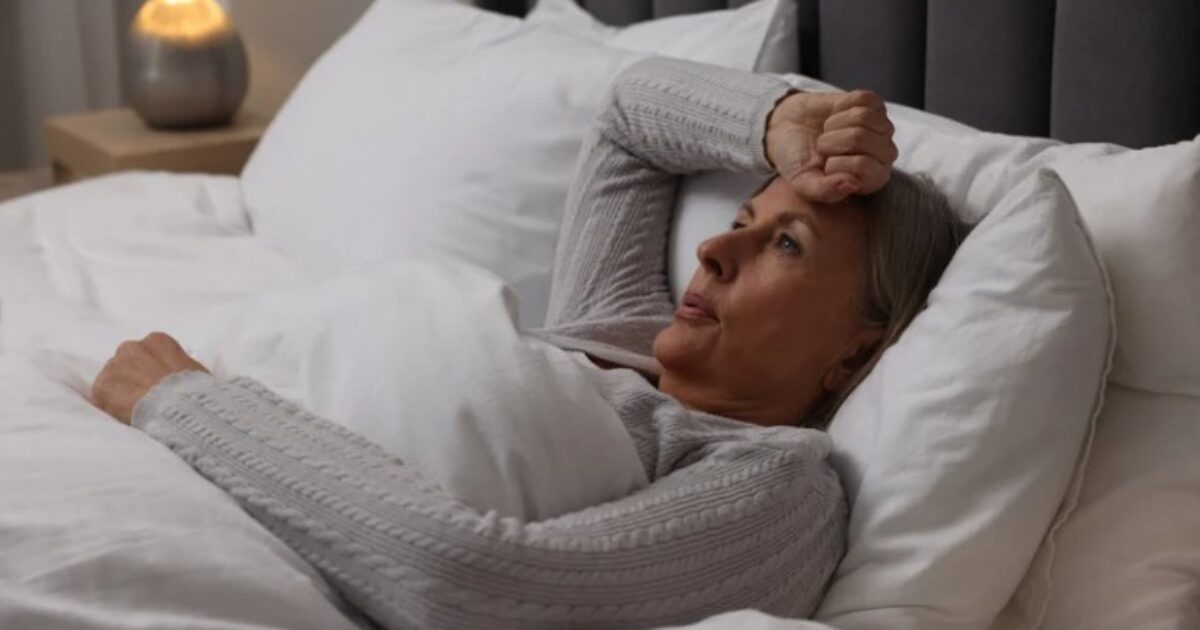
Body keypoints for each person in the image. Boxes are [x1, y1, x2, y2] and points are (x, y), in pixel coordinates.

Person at [88, 58, 967, 629]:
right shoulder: (617, 324)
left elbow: (474, 585)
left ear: (854, 354)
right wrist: (780, 126)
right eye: (743, 216)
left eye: (784, 245)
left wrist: (190, 407)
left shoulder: (778, 487)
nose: (712, 248)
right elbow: (628, 117)